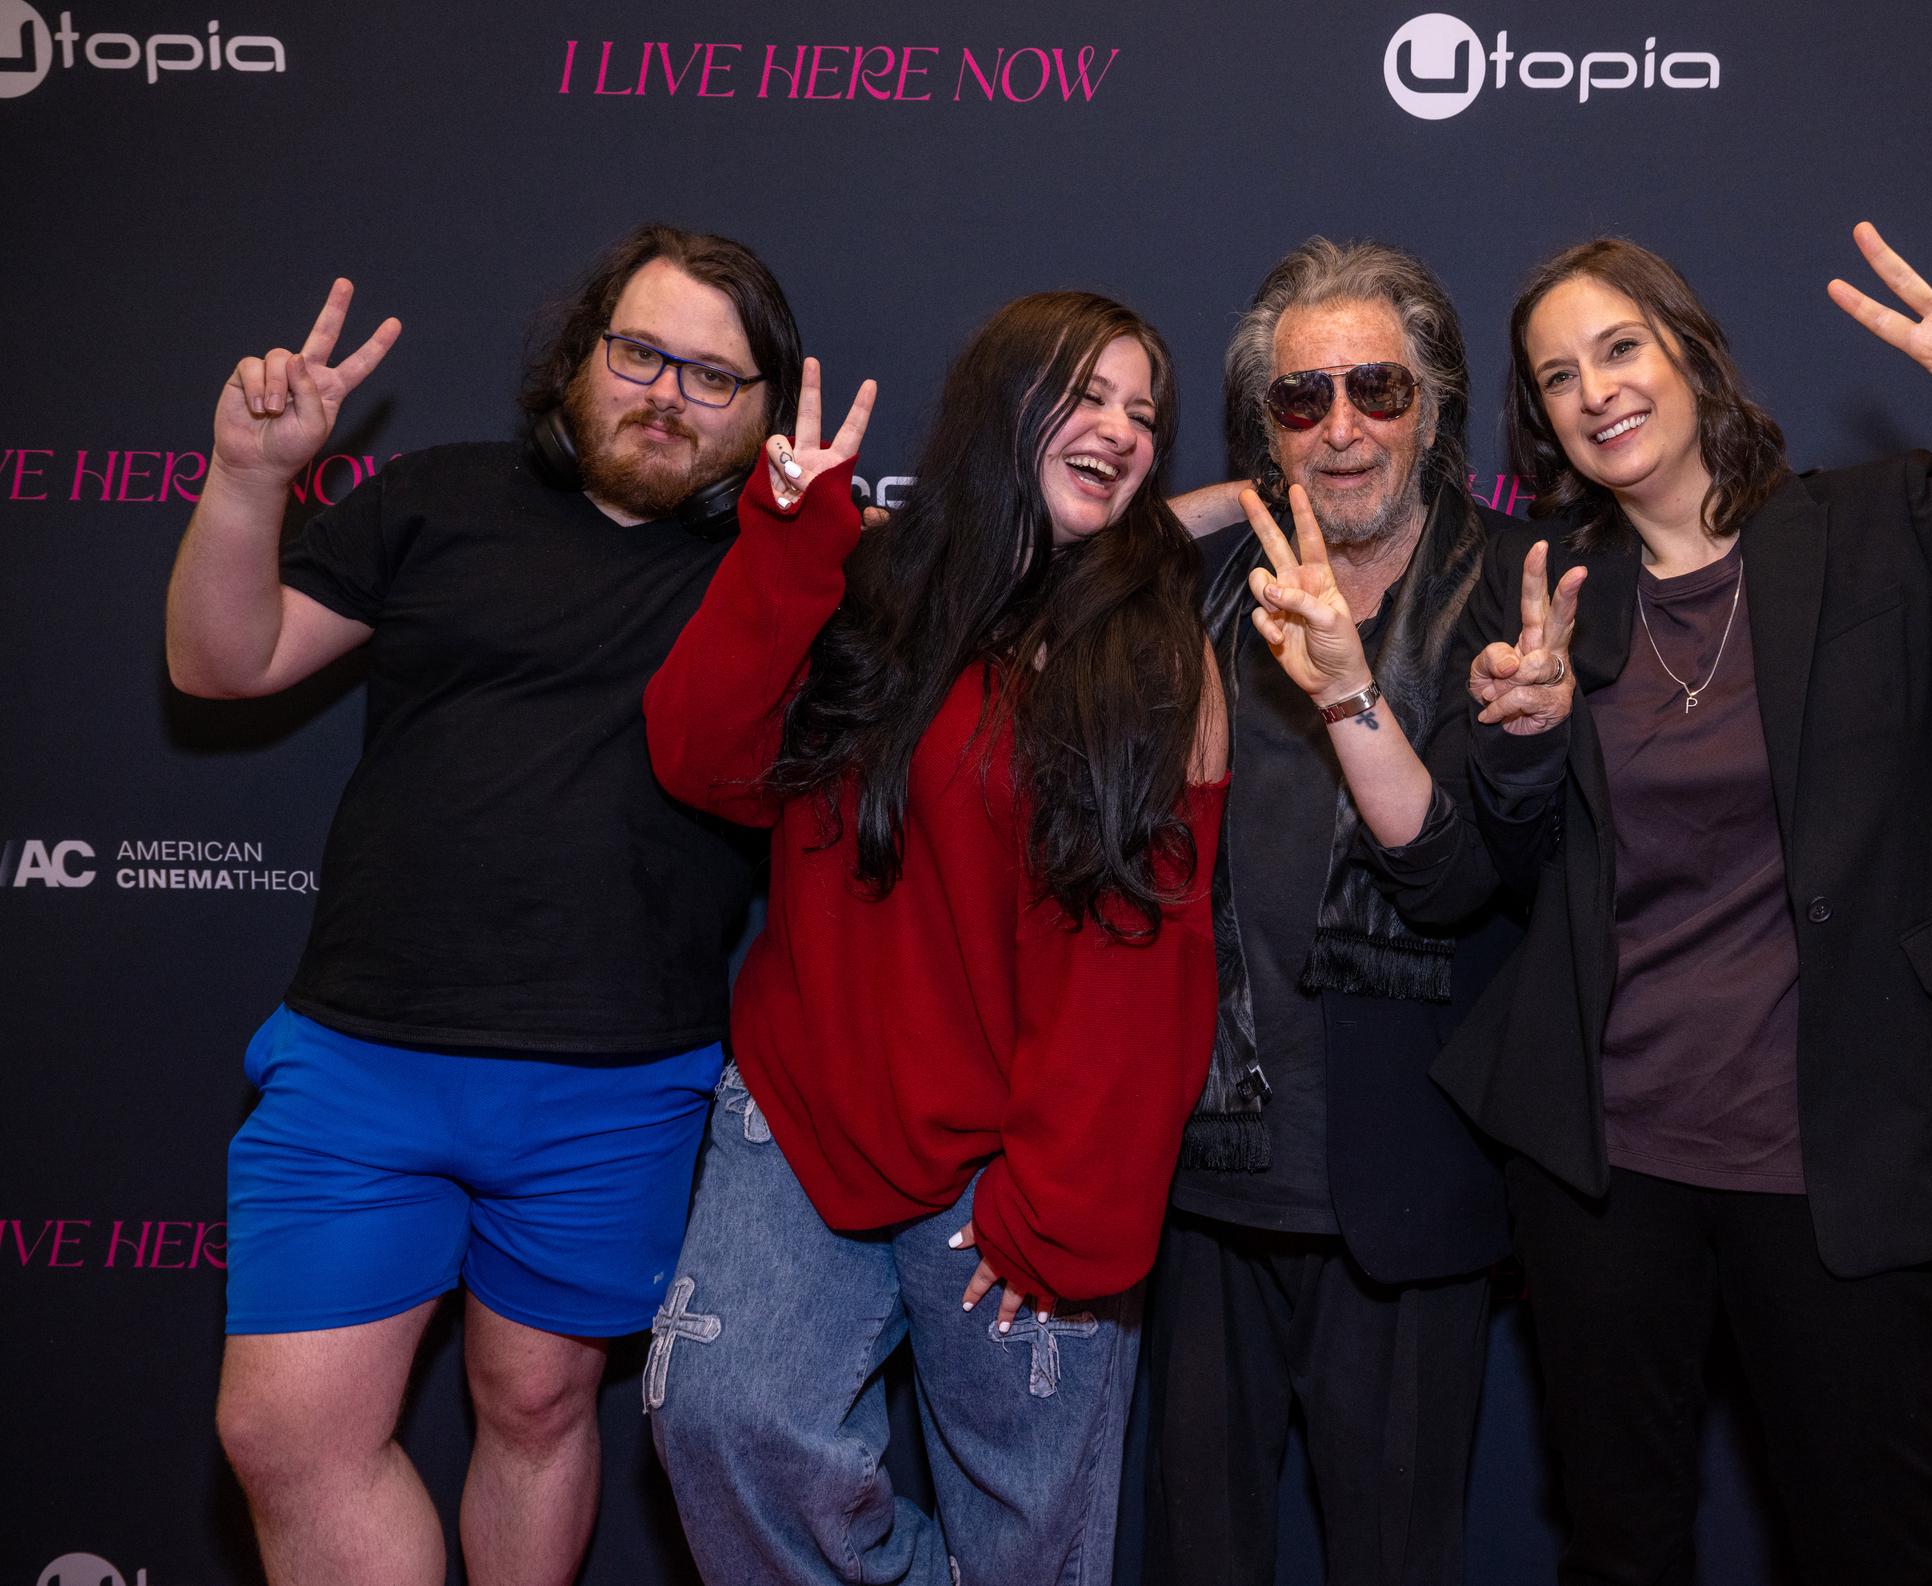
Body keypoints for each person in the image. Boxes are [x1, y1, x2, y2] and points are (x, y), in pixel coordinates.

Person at [1420, 225, 1932, 1584]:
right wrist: (1519, 744)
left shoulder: (1884, 532)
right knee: (1619, 1544)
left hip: (1843, 1161)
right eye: (1560, 375)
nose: (1598, 389)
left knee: (1865, 1544)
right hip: (1602, 1170)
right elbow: (1488, 883)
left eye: (1622, 346)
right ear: (1544, 424)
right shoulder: (1553, 608)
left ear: (1691, 354)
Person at [169, 223, 807, 1586]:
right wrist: (245, 481)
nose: (667, 393)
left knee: (535, 1402)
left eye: (714, 375)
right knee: (284, 1430)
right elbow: (228, 661)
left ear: (766, 413)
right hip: (362, 1054)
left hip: (617, 1075)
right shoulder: (437, 498)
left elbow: (999, 602)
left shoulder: (784, 575)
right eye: (642, 352)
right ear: (582, 352)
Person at [641, 292, 1230, 1586]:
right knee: (719, 1415)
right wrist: (789, 542)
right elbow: (702, 756)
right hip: (805, 1114)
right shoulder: (868, 582)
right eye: (1085, 394)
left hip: (1019, 1160)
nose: (1120, 429)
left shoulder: (1156, 655)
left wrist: (1064, 1213)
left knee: (1031, 1545)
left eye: (1145, 413)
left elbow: (1142, 965)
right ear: (998, 408)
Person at [1141, 238, 1513, 1586]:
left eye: (1377, 388)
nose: (1343, 427)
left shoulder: (1512, 595)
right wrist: (1215, 509)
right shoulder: (1195, 589)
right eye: (1302, 400)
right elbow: (1036, 572)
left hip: (1413, 1184)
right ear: (1264, 427)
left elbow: (1467, 876)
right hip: (1200, 1178)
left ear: (1435, 405)